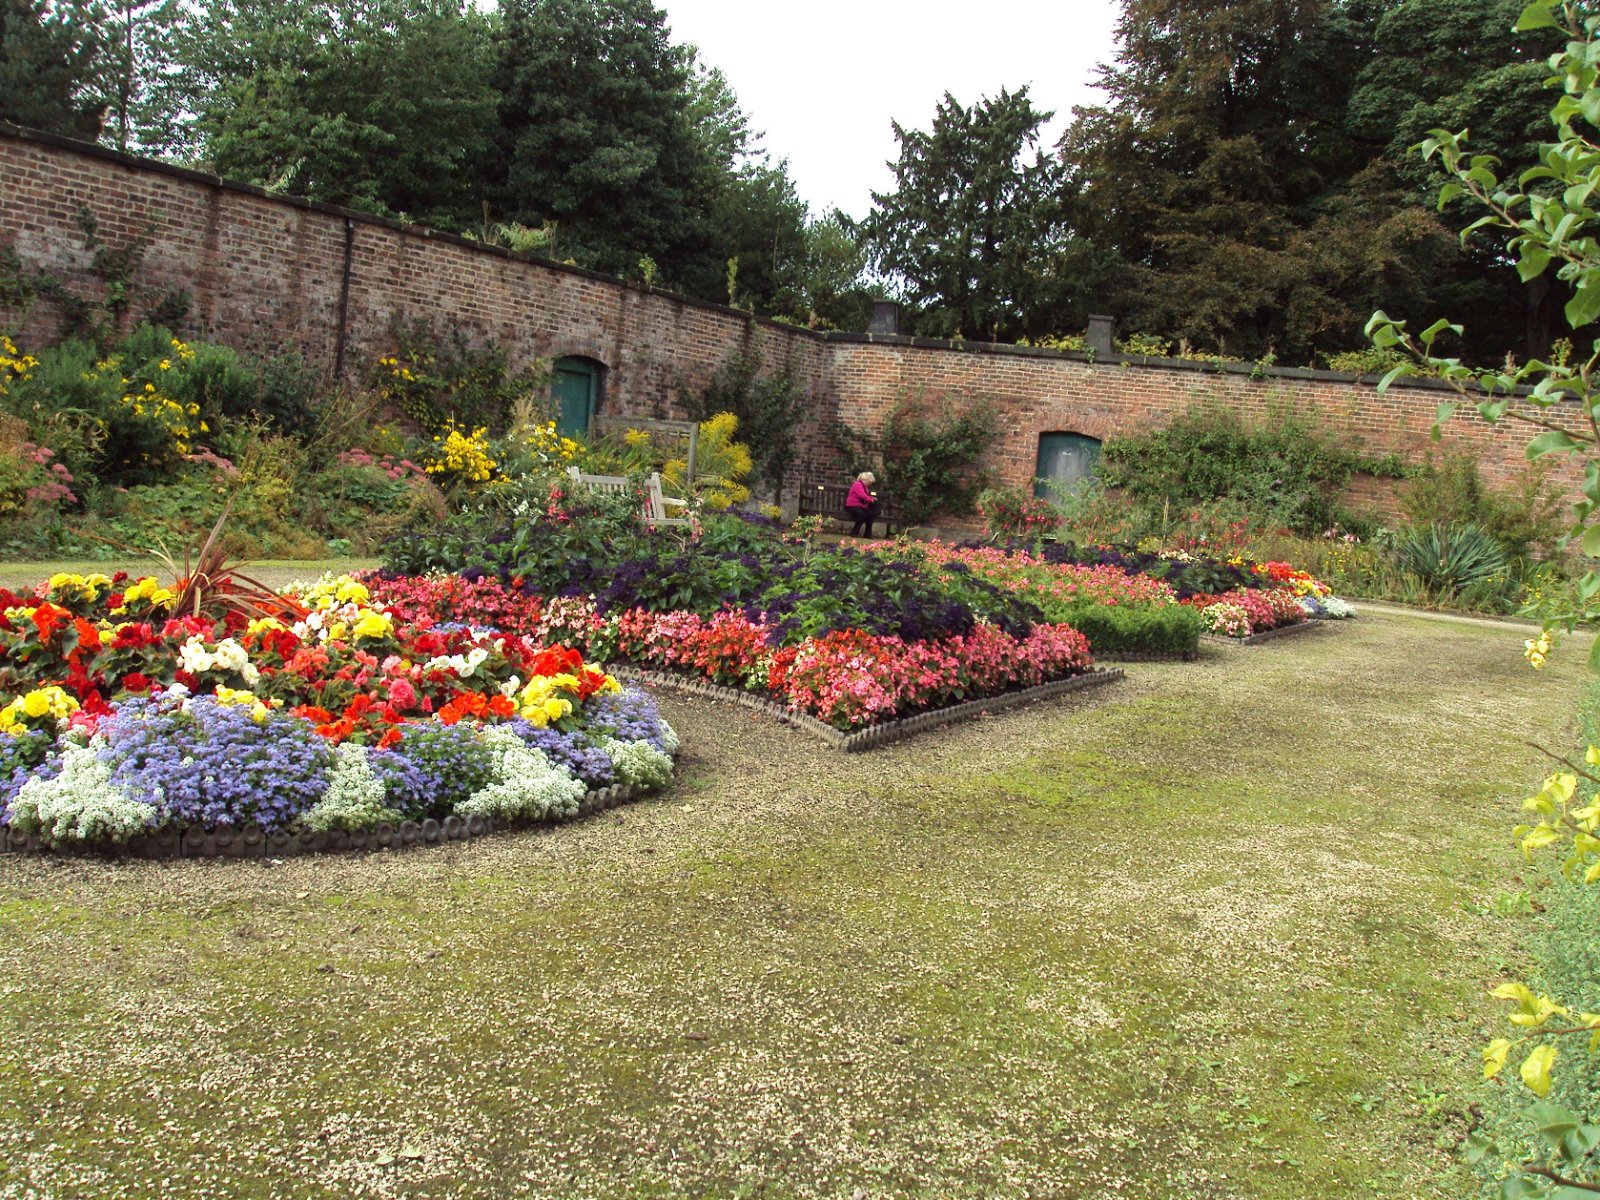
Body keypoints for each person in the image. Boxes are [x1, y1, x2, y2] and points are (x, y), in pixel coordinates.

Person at [845, 470, 879, 537]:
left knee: (870, 515)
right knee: (861, 515)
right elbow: (862, 495)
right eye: (869, 482)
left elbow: (865, 495)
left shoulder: (865, 486)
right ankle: (854, 532)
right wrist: (871, 500)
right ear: (864, 480)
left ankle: (868, 534)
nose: (869, 484)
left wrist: (871, 498)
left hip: (860, 506)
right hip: (852, 506)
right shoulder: (857, 484)